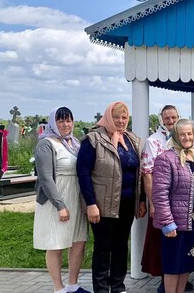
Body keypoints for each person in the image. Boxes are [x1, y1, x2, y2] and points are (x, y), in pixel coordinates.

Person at [77, 101, 146, 293]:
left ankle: (117, 286)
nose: (121, 121)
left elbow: (139, 171)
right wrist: (91, 203)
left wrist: (141, 200)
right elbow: (83, 173)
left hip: (127, 202)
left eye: (124, 117)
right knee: (102, 248)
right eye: (116, 117)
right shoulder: (93, 140)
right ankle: (100, 288)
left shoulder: (131, 140)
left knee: (121, 246)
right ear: (108, 117)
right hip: (102, 204)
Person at [33, 106, 90, 293]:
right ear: (53, 123)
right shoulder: (46, 143)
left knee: (78, 241)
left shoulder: (74, 143)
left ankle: (72, 285)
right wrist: (60, 205)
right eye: (61, 121)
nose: (65, 125)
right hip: (56, 199)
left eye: (68, 120)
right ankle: (58, 288)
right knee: (56, 243)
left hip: (75, 196)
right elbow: (46, 178)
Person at [141, 106, 194, 292]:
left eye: (174, 117)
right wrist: (154, 205)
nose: (170, 121)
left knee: (183, 257)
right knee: (169, 256)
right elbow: (149, 176)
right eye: (167, 118)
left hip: (189, 214)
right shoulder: (154, 143)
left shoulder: (193, 148)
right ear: (161, 119)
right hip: (168, 210)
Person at [153, 119, 194, 293]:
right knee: (172, 265)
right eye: (182, 134)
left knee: (186, 264)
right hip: (176, 223)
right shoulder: (165, 158)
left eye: (189, 133)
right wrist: (167, 223)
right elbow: (160, 194)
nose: (186, 137)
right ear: (175, 135)